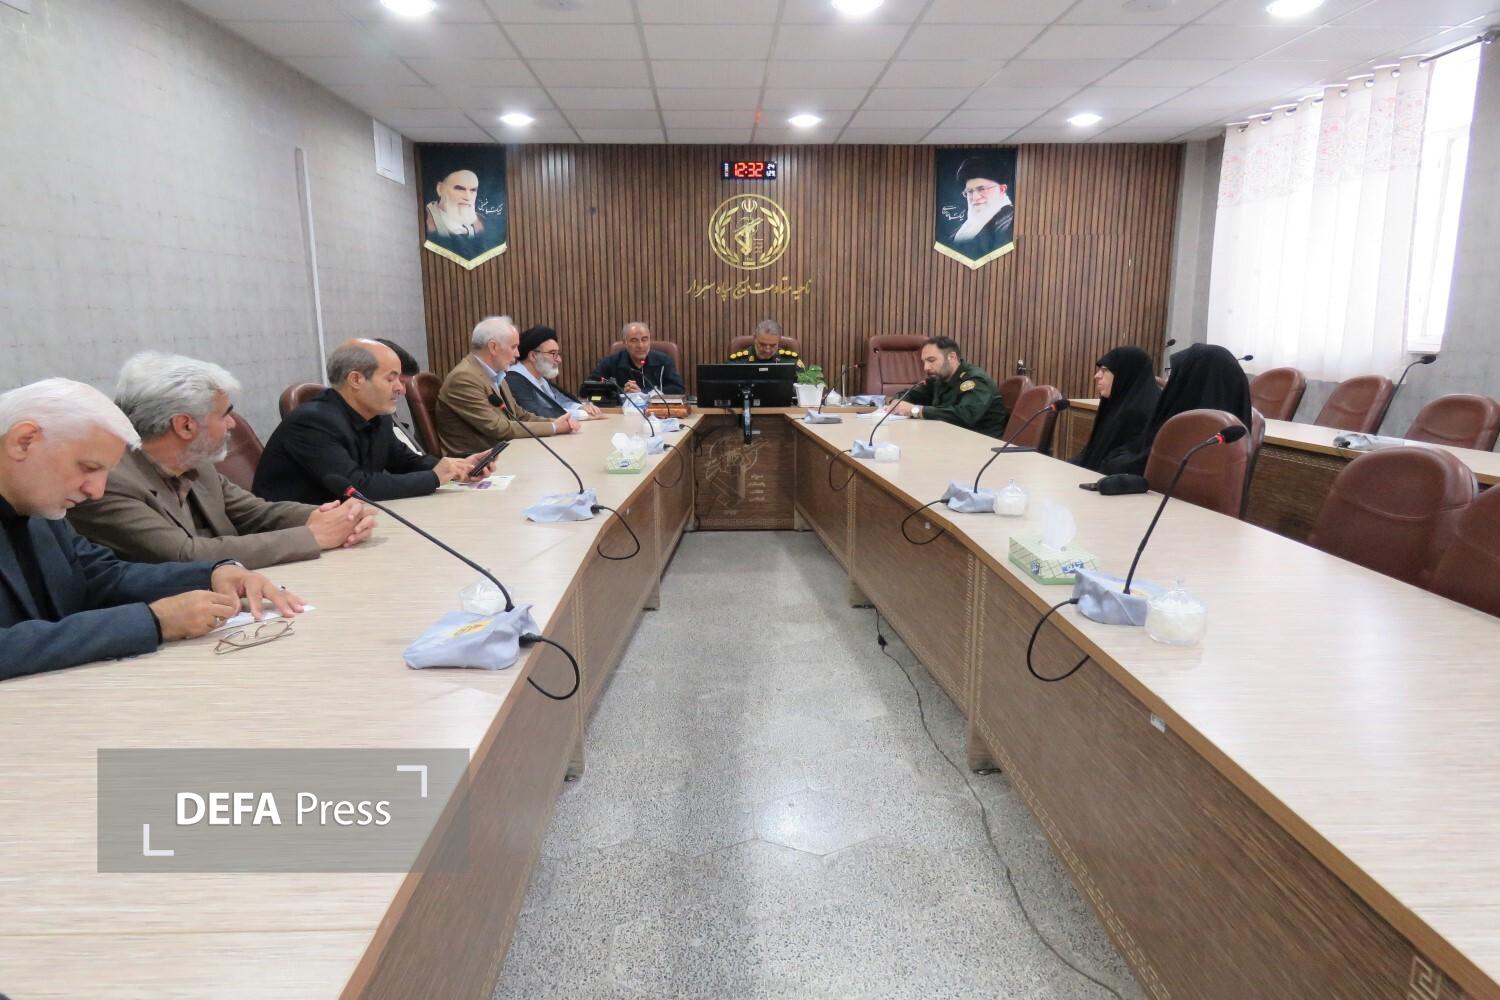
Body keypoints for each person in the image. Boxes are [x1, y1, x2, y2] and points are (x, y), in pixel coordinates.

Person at [1, 378, 302, 682]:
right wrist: (154, 621)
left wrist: (211, 575)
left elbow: (99, 576)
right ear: (23, 441)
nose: (96, 491)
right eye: (88, 468)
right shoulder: (40, 499)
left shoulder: (37, 505)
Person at [68, 352, 376, 569]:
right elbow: (183, 555)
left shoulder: (195, 462)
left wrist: (335, 517)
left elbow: (257, 513)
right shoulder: (109, 481)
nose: (231, 425)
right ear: (184, 426)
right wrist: (313, 536)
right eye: (225, 414)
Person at [254, 340, 490, 503]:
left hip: (352, 523)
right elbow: (357, 487)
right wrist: (434, 477)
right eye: (391, 379)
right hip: (299, 534)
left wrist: (457, 467)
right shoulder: (312, 423)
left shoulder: (378, 416)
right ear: (356, 380)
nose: (401, 388)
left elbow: (405, 462)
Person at [1101, 342, 1253, 476]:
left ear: (1192, 382)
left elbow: (1146, 467)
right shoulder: (1233, 428)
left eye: (1176, 375)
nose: (1171, 381)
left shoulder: (1195, 432)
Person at [438, 317, 579, 455]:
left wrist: (556, 422)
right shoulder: (464, 378)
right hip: (477, 461)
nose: (517, 354)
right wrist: (554, 427)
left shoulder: (497, 374)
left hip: (503, 453)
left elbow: (519, 415)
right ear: (493, 347)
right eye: (513, 347)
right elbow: (497, 428)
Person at [887, 336, 1009, 438]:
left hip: (979, 444)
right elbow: (912, 394)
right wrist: (897, 402)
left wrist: (916, 410)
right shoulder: (940, 378)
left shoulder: (975, 380)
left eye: (931, 360)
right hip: (950, 438)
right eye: (924, 362)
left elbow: (965, 416)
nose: (926, 368)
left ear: (952, 357)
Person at [1070, 346, 1162, 473]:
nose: (1096, 376)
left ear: (1125, 374)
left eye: (1104, 370)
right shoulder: (1114, 403)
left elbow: (1125, 465)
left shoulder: (1143, 413)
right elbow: (1092, 452)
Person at [505, 325, 602, 422]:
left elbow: (558, 402)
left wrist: (582, 407)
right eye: (553, 354)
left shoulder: (540, 379)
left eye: (558, 354)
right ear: (533, 356)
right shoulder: (513, 380)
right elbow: (534, 412)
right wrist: (582, 414)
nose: (559, 360)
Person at [589, 321, 685, 395]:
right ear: (625, 343)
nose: (640, 345)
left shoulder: (664, 361)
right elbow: (587, 388)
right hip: (621, 412)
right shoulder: (610, 362)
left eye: (644, 339)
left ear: (649, 341)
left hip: (656, 411)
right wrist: (622, 392)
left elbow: (678, 388)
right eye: (634, 340)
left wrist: (643, 392)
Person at [950, 155, 1014, 258]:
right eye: (970, 191)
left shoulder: (1011, 224)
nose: (975, 197)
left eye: (982, 189)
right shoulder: (959, 232)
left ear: (1002, 189)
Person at [425, 169, 484, 239]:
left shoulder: (481, 222)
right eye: (460, 189)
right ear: (440, 189)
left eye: (473, 190)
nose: (467, 197)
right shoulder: (425, 219)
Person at [729, 318, 804, 368]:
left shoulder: (791, 363)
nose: (767, 350)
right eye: (762, 344)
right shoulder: (737, 362)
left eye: (772, 345)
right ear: (755, 338)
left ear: (779, 341)